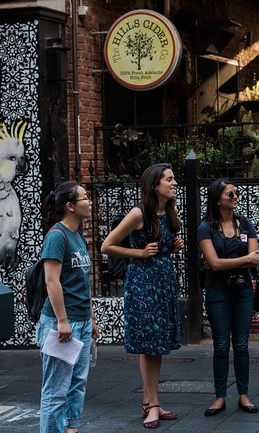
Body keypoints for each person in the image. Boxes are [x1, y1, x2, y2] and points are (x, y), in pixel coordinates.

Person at [100, 163, 184, 429]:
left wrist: (172, 246)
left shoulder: (170, 211)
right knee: (149, 343)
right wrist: (139, 253)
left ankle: (151, 402)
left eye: (174, 179)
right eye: (169, 179)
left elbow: (159, 247)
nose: (174, 183)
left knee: (156, 344)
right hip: (142, 282)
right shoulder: (138, 213)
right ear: (153, 185)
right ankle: (153, 403)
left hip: (163, 280)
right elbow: (107, 246)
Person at [36, 181, 98, 433]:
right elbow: (52, 282)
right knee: (56, 390)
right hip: (62, 324)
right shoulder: (56, 236)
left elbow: (82, 282)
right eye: (85, 198)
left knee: (76, 384)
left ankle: (71, 429)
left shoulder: (77, 236)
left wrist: (91, 318)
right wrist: (62, 320)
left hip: (81, 322)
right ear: (70, 206)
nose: (90, 202)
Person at [197, 178, 259, 416]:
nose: (235, 197)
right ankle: (219, 396)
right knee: (221, 345)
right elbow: (213, 263)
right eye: (229, 194)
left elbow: (255, 255)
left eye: (235, 193)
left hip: (243, 290)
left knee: (242, 345)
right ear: (217, 199)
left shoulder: (245, 224)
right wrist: (244, 261)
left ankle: (244, 395)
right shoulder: (206, 227)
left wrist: (235, 263)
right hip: (217, 291)